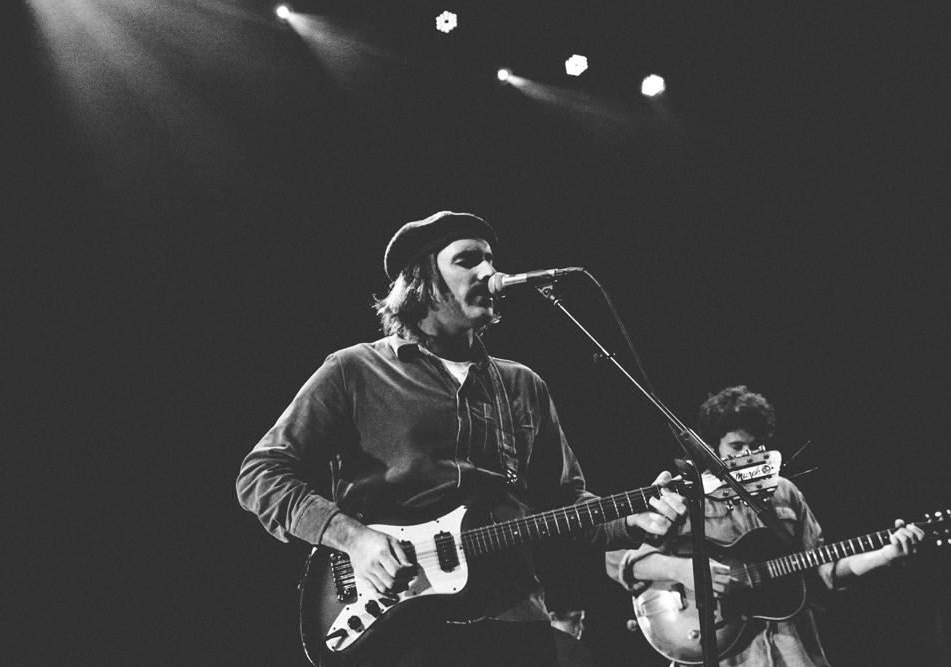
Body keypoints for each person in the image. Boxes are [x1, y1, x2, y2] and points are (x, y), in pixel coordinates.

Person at [236, 211, 687, 667]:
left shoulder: (522, 384)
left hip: (516, 621)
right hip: (402, 623)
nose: (489, 272)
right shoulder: (355, 370)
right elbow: (261, 474)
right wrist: (354, 539)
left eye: (490, 259)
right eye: (467, 260)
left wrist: (635, 521)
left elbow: (566, 507)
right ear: (422, 281)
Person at [605, 385, 926, 666]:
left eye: (755, 445)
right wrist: (680, 570)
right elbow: (622, 562)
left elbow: (823, 570)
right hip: (720, 648)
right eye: (736, 447)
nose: (748, 454)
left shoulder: (785, 492)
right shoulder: (688, 495)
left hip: (791, 648)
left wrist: (886, 554)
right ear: (713, 448)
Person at [545, 587, 595, 667]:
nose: (581, 627)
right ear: (553, 618)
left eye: (581, 620)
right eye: (575, 620)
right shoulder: (572, 652)